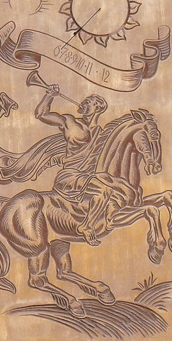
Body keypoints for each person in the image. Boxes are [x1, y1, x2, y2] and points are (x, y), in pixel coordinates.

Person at [34, 85, 117, 245]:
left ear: (98, 108)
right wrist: (49, 96)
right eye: (84, 102)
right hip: (69, 176)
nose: (83, 104)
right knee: (104, 191)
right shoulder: (69, 121)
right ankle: (87, 227)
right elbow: (41, 114)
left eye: (89, 102)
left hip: (87, 178)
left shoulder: (101, 132)